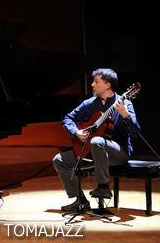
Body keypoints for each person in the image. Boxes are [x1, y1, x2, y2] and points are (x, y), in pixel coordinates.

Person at [53, 68, 141, 212]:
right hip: (93, 153)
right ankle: (80, 201)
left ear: (107, 85)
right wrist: (76, 132)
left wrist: (126, 116)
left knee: (96, 141)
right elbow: (68, 118)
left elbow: (135, 132)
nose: (92, 85)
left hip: (118, 153)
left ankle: (103, 187)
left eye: (96, 82)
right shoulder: (90, 103)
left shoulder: (124, 104)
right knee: (59, 160)